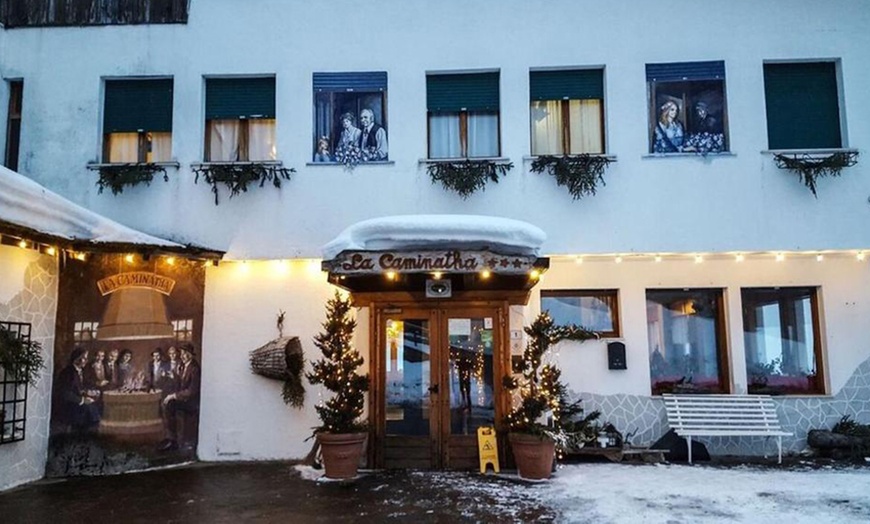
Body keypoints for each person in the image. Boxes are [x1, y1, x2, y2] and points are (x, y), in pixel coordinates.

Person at [159, 344, 201, 451]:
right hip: (184, 399)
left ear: (191, 355)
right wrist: (174, 377)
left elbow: (191, 391)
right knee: (166, 404)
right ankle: (171, 439)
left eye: (186, 353)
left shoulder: (195, 368)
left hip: (191, 402)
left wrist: (174, 396)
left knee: (170, 404)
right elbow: (180, 384)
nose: (183, 356)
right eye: (182, 353)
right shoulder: (182, 366)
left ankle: (174, 440)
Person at [54, 347, 101, 432]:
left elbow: (80, 387)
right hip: (68, 405)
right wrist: (82, 400)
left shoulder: (81, 371)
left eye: (86, 358)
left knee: (96, 406)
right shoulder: (68, 372)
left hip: (77, 402)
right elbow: (65, 393)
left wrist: (90, 392)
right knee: (89, 410)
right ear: (76, 358)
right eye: (84, 358)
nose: (86, 361)